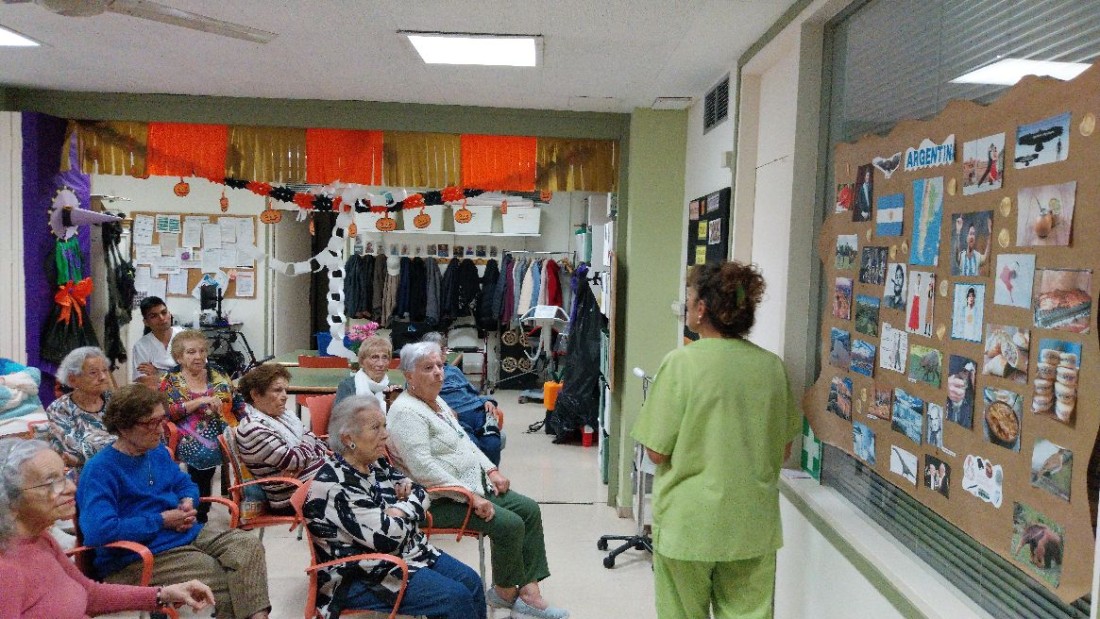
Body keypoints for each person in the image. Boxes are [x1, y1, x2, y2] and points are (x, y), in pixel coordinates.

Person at [631, 261, 803, 619]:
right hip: (751, 526)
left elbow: (656, 452)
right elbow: (784, 449)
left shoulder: (681, 364)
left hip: (689, 525)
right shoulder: (771, 368)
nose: (686, 305)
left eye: (689, 298)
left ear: (702, 308)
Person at [387, 341, 568, 619]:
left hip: (470, 485)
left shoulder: (436, 401)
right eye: (428, 368)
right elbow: (423, 468)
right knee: (510, 524)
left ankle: (529, 594)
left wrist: (491, 470)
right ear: (409, 375)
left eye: (440, 366)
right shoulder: (405, 412)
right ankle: (505, 593)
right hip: (436, 500)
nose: (438, 372)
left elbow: (465, 443)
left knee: (529, 510)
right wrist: (470, 496)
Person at [75, 384, 272, 619]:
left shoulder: (156, 451)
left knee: (247, 545)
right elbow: (98, 532)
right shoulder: (100, 470)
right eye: (151, 423)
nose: (161, 430)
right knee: (225, 583)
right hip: (136, 558)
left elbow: (184, 484)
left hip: (182, 535)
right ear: (123, 427)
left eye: (162, 420)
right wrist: (161, 520)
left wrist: (188, 501)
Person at [304, 395, 485, 619]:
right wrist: (407, 509)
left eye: (384, 426)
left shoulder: (375, 463)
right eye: (375, 428)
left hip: (406, 552)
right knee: (454, 598)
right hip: (362, 572)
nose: (385, 434)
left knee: (471, 582)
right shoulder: (336, 485)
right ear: (348, 438)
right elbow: (389, 538)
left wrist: (399, 510)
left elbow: (421, 492)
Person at [0, 437, 216, 618]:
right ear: (8, 501)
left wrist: (164, 594)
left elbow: (89, 594)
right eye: (52, 482)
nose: (72, 487)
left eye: (64, 476)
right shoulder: (6, 570)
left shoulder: (41, 540)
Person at [160, 329, 246, 522]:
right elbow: (167, 412)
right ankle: (200, 512)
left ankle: (245, 503)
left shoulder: (218, 373)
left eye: (202, 351)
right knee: (204, 451)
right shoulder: (170, 380)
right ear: (179, 357)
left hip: (223, 426)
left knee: (252, 443)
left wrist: (245, 423)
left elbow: (237, 401)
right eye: (191, 352)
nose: (198, 356)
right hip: (187, 431)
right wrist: (199, 402)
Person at [234, 363, 327, 511]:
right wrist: (308, 449)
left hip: (312, 484)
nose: (285, 396)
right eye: (277, 390)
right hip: (291, 497)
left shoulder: (284, 417)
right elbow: (294, 460)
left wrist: (305, 453)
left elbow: (319, 444)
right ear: (255, 395)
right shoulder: (252, 428)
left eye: (285, 390)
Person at [421, 332, 504, 465]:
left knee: (492, 444)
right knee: (472, 448)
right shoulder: (419, 374)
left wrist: (487, 401)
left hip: (477, 411)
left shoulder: (454, 370)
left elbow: (474, 393)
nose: (442, 353)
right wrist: (442, 409)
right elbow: (416, 400)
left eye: (443, 349)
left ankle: (491, 477)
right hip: (456, 417)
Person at [43, 346, 115, 471]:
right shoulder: (59, 409)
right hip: (87, 473)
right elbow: (70, 452)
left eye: (105, 370)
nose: (103, 377)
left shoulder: (114, 401)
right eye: (93, 373)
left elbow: (134, 436)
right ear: (73, 380)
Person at [334, 335, 402, 411]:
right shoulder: (348, 386)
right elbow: (339, 417)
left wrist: (394, 404)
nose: (381, 364)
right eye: (374, 357)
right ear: (362, 361)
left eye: (385, 357)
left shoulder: (392, 389)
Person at [132, 296, 184, 389]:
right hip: (158, 394)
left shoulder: (186, 337)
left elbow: (199, 372)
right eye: (153, 316)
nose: (161, 318)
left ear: (169, 314)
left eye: (164, 312)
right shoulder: (141, 346)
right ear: (146, 322)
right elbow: (145, 381)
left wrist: (158, 373)